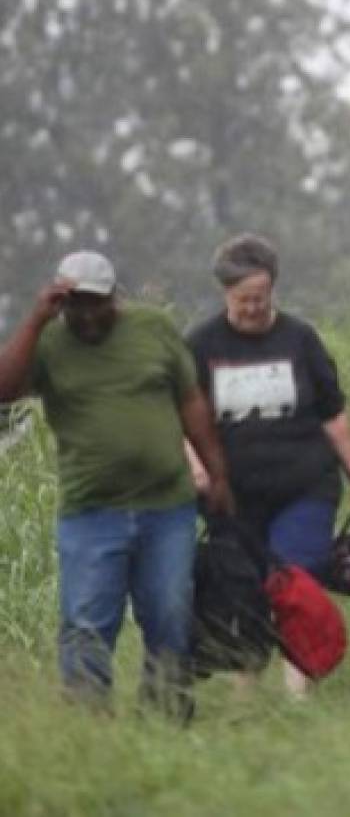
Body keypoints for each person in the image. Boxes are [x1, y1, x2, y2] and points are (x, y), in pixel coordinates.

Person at [0, 251, 233, 719]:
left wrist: (218, 472)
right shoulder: (47, 343)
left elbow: (191, 402)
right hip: (91, 512)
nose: (86, 315)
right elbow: (4, 391)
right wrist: (37, 318)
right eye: (74, 304)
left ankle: (166, 714)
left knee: (169, 615)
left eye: (95, 303)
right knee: (86, 622)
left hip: (167, 507)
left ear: (114, 297)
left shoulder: (153, 330)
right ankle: (89, 722)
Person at [186, 234, 350, 699]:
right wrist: (196, 468)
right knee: (241, 585)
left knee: (299, 574)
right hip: (230, 493)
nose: (252, 308)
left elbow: (332, 412)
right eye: (242, 299)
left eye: (261, 298)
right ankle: (245, 684)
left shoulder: (299, 339)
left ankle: (298, 687)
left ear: (274, 290)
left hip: (304, 483)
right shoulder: (201, 344)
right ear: (225, 293)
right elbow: (180, 417)